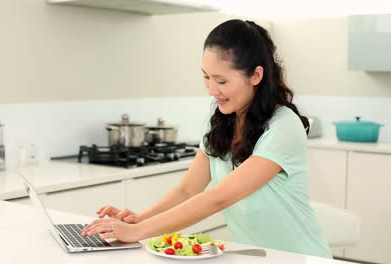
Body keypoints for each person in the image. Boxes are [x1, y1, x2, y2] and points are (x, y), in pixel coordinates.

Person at [82, 19, 332, 258]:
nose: (211, 90)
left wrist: (137, 232)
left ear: (256, 76)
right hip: (257, 257)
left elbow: (218, 197)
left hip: (301, 257)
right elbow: (188, 190)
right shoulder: (221, 123)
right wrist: (139, 219)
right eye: (206, 77)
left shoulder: (284, 126)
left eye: (221, 80)